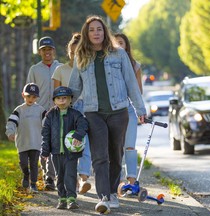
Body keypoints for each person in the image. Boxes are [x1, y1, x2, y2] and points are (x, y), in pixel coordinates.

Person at [68, 15, 146, 214]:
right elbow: (74, 87)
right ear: (87, 34)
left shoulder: (118, 54)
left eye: (99, 29)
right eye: (92, 30)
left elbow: (131, 83)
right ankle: (103, 196)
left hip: (119, 111)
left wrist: (140, 109)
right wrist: (63, 108)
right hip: (93, 112)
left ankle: (112, 192)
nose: (96, 33)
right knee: (99, 155)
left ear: (105, 33)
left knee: (115, 154)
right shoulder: (81, 56)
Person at [52, 33, 92, 195]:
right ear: (69, 52)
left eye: (79, 52)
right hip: (68, 109)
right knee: (68, 144)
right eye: (73, 52)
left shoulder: (88, 66)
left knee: (85, 142)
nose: (76, 55)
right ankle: (72, 179)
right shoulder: (60, 70)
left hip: (87, 107)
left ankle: (84, 179)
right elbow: (54, 94)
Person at [41, 86, 88, 210]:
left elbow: (83, 125)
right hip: (56, 153)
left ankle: (72, 199)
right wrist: (45, 151)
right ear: (54, 101)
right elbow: (45, 133)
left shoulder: (75, 114)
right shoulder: (50, 115)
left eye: (65, 98)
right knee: (59, 176)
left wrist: (78, 135)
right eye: (59, 98)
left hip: (71, 153)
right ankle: (62, 199)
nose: (62, 101)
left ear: (70, 100)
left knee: (70, 175)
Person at [26, 36, 62, 191]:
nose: (47, 52)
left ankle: (50, 177)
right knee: (42, 145)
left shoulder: (60, 67)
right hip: (39, 112)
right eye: (44, 50)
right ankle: (45, 172)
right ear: (40, 52)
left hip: (57, 110)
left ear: (53, 50)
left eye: (49, 49)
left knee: (54, 144)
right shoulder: (34, 69)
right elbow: (28, 90)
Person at [5, 83, 46, 193]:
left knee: (33, 164)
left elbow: (46, 124)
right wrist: (10, 133)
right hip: (22, 142)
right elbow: (11, 123)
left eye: (33, 97)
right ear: (23, 95)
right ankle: (25, 174)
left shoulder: (41, 110)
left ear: (37, 97)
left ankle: (33, 184)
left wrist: (48, 135)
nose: (31, 99)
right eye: (28, 96)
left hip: (36, 142)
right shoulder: (19, 110)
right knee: (23, 163)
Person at [114, 33, 143, 186]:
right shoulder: (109, 64)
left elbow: (139, 91)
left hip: (129, 109)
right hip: (113, 110)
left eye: (121, 43)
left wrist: (140, 110)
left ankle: (132, 181)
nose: (118, 46)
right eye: (115, 43)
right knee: (116, 147)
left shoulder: (135, 65)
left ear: (126, 46)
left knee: (130, 146)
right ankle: (116, 182)